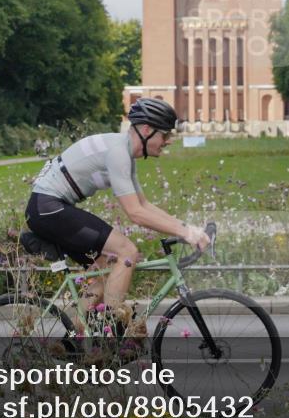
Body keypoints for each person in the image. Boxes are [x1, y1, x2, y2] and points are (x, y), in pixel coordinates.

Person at [25, 98, 211, 329]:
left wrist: (186, 228)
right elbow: (135, 213)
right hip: (48, 207)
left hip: (47, 207)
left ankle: (74, 338)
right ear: (146, 130)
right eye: (164, 135)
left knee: (105, 266)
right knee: (126, 251)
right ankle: (111, 331)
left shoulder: (124, 153)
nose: (168, 141)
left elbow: (144, 205)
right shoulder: (118, 152)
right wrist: (186, 233)